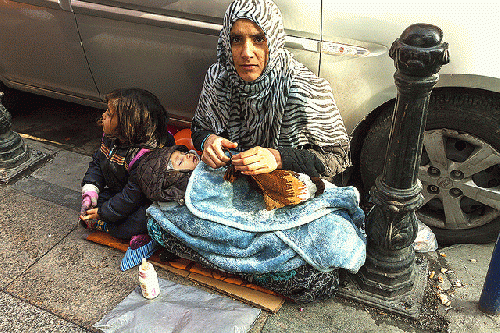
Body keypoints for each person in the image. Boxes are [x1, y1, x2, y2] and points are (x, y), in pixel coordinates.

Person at [191, 0, 350, 184]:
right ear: (227, 43)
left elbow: (338, 158)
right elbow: (199, 128)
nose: (246, 52)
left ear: (273, 40)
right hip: (233, 183)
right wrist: (208, 141)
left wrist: (278, 158)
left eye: (258, 39)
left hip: (291, 187)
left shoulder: (302, 89)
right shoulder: (219, 78)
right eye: (236, 39)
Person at [79, 88, 174, 245]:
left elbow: (132, 195)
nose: (104, 115)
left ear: (127, 126)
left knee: (138, 221)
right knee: (96, 202)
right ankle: (107, 221)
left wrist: (104, 213)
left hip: (143, 200)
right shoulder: (112, 138)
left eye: (109, 114)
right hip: (121, 191)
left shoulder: (145, 157)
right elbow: (98, 161)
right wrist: (91, 190)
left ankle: (135, 233)